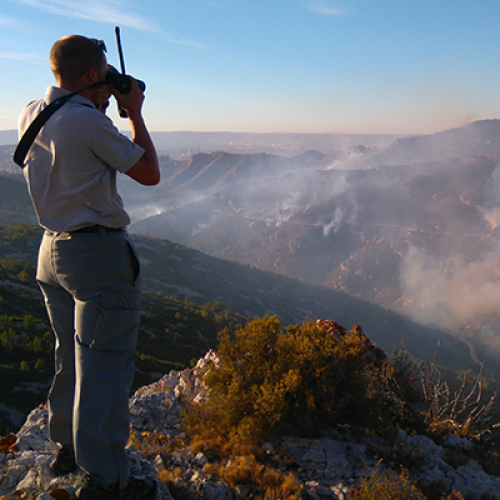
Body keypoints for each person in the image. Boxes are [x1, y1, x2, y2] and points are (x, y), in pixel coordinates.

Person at [17, 35, 160, 500]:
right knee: (104, 367)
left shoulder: (32, 111)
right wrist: (133, 110)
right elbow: (148, 172)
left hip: (50, 251)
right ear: (94, 74)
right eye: (103, 74)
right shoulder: (85, 123)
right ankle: (106, 481)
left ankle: (67, 450)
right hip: (95, 258)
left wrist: (100, 99)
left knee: (70, 360)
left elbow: (73, 141)